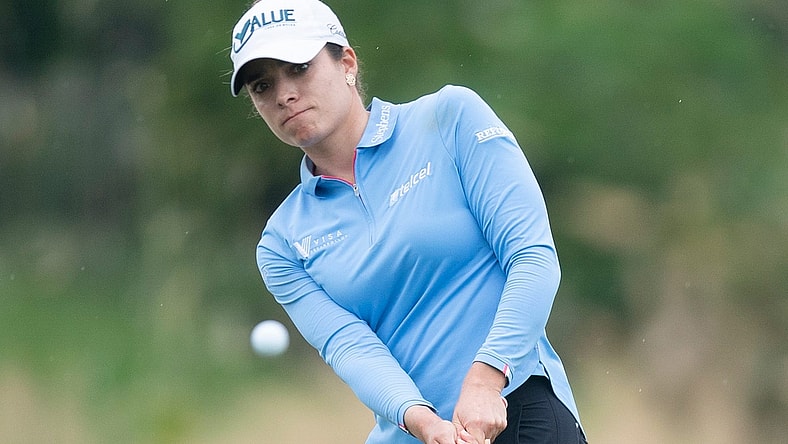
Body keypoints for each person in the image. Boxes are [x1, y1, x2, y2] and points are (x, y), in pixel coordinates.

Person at [229, 1, 587, 443]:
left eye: (299, 68)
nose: (284, 94)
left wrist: (486, 378)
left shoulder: (449, 119)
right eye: (263, 86)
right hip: (417, 433)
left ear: (347, 62)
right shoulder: (282, 244)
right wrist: (423, 422)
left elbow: (532, 258)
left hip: (516, 405)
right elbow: (353, 349)